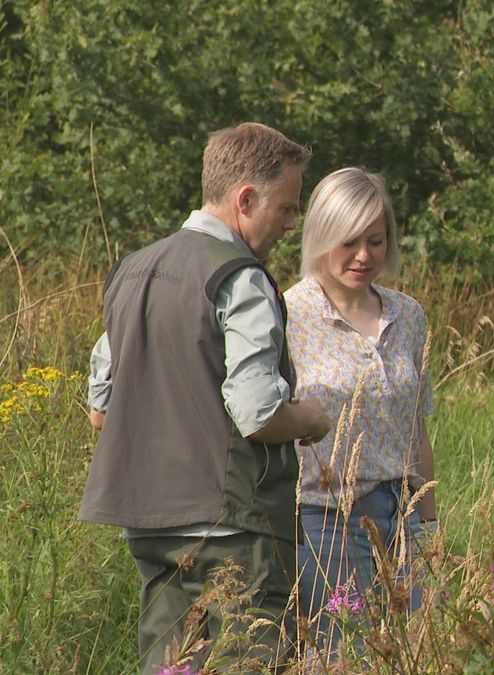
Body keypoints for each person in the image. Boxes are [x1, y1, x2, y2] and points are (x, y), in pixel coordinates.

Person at [81, 122, 332, 674]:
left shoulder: (131, 272)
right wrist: (311, 419)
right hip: (233, 526)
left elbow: (101, 410)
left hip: (150, 523)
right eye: (287, 207)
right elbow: (258, 413)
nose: (292, 223)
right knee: (249, 663)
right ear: (246, 199)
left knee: (169, 666)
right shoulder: (241, 277)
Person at [283, 167, 436, 653]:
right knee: (343, 656)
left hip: (404, 515)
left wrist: (429, 525)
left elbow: (417, 428)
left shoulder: (408, 315)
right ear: (321, 236)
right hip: (326, 520)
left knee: (413, 651)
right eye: (349, 241)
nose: (364, 255)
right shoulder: (287, 315)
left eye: (376, 240)